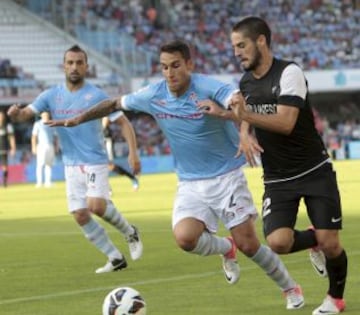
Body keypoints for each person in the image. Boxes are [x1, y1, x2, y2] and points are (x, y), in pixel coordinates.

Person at [43, 39, 306, 310]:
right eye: (164, 67)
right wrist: (76, 120)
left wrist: (241, 127)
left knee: (249, 245)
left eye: (176, 66)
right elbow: (113, 104)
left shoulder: (207, 86)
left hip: (226, 177)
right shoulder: (153, 94)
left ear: (189, 64)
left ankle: (290, 287)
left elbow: (236, 99)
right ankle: (226, 248)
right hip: (190, 182)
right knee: (185, 239)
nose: (170, 73)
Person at [199, 17, 348, 315]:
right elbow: (246, 115)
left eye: (242, 45)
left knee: (332, 244)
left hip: (313, 170)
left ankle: (335, 299)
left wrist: (245, 118)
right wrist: (239, 130)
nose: (237, 52)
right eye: (233, 47)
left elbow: (285, 122)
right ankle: (313, 241)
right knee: (279, 242)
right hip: (278, 178)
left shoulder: (289, 72)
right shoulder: (246, 82)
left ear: (262, 41)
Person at [7, 44, 143, 274]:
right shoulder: (51, 95)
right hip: (70, 164)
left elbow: (123, 122)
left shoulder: (97, 95)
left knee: (96, 206)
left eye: (79, 62)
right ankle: (115, 257)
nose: (74, 67)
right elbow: (25, 114)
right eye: (70, 62)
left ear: (87, 67)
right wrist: (15, 114)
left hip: (95, 160)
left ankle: (130, 231)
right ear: (63, 66)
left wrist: (133, 151)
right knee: (80, 215)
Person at [102, 115, 140, 191]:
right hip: (94, 143)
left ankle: (132, 178)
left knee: (109, 165)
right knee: (101, 166)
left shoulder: (102, 109)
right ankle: (106, 187)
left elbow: (106, 121)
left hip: (106, 141)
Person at [31, 111, 58, 188]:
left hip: (50, 145)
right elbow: (34, 136)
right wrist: (34, 147)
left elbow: (55, 137)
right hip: (41, 146)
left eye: (47, 114)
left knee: (49, 164)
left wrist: (56, 147)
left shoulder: (52, 124)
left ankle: (48, 182)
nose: (46, 115)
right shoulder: (38, 124)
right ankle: (39, 183)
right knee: (40, 165)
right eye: (44, 114)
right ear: (41, 115)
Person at [0, 110, 16, 187]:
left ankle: (5, 182)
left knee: (5, 166)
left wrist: (13, 148)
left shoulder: (8, 126)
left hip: (3, 149)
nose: (1, 118)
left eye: (2, 116)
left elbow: (11, 138)